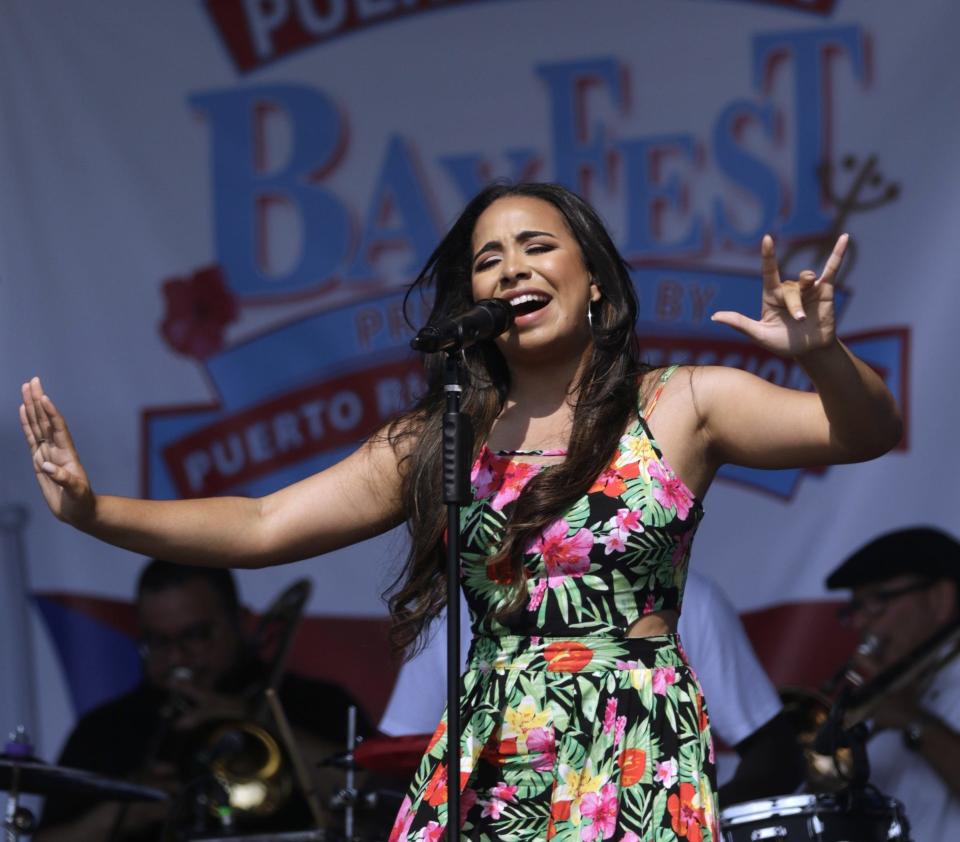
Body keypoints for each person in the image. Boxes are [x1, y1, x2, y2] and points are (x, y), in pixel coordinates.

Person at [20, 181, 901, 841]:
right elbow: (261, 526)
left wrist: (823, 356)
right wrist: (96, 511)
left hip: (628, 738)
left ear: (594, 280)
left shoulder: (683, 403)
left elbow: (866, 430)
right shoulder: (443, 435)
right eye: (489, 259)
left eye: (536, 247)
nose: (512, 267)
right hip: (493, 746)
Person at [379, 570, 804, 809]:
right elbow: (396, 764)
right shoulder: (458, 613)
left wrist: (692, 821)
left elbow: (776, 754)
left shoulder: (688, 599)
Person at [34, 559, 373, 842]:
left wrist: (258, 720)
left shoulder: (313, 702)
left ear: (239, 621)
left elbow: (384, 801)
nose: (177, 657)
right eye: (158, 642)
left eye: (194, 636)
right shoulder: (105, 729)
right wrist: (119, 813)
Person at [824, 526, 960, 839]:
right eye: (855, 608)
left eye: (876, 600)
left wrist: (913, 721)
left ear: (941, 598)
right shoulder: (890, 696)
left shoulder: (903, 706)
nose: (859, 622)